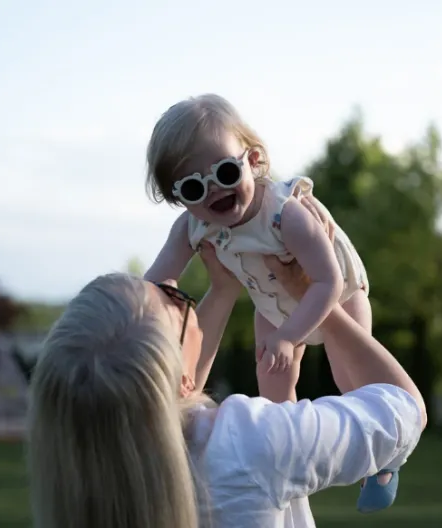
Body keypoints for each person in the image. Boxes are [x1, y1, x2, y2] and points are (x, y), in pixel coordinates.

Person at [26, 196, 427, 528]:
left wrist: (222, 289)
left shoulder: (95, 472)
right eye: (177, 301)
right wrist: (317, 300)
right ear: (182, 381)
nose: (174, 287)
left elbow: (171, 396)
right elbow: (403, 410)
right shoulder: (247, 441)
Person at [143, 93, 393, 512]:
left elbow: (328, 280)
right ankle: (290, 454)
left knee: (352, 380)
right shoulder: (195, 225)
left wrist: (290, 335)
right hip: (272, 305)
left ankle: (384, 461)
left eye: (225, 171)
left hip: (338, 297)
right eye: (193, 187)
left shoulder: (283, 213)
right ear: (179, 198)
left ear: (253, 159)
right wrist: (139, 311)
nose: (214, 191)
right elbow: (157, 280)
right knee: (273, 386)